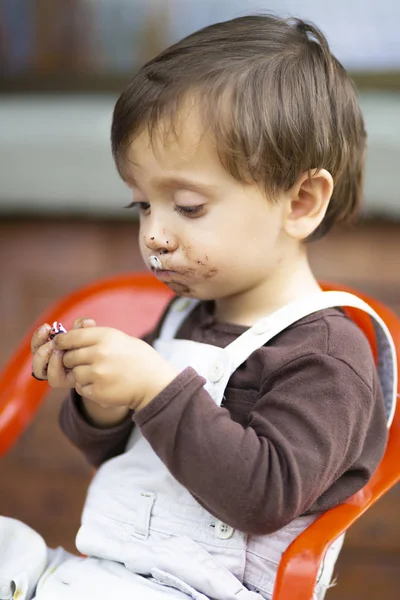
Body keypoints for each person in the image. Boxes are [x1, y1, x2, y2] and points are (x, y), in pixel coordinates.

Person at [1, 14, 394, 600]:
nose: (155, 235)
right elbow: (117, 455)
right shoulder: (189, 318)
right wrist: (103, 399)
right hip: (103, 574)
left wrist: (153, 388)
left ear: (301, 201)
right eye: (141, 206)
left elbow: (264, 497)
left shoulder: (330, 356)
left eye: (187, 207)